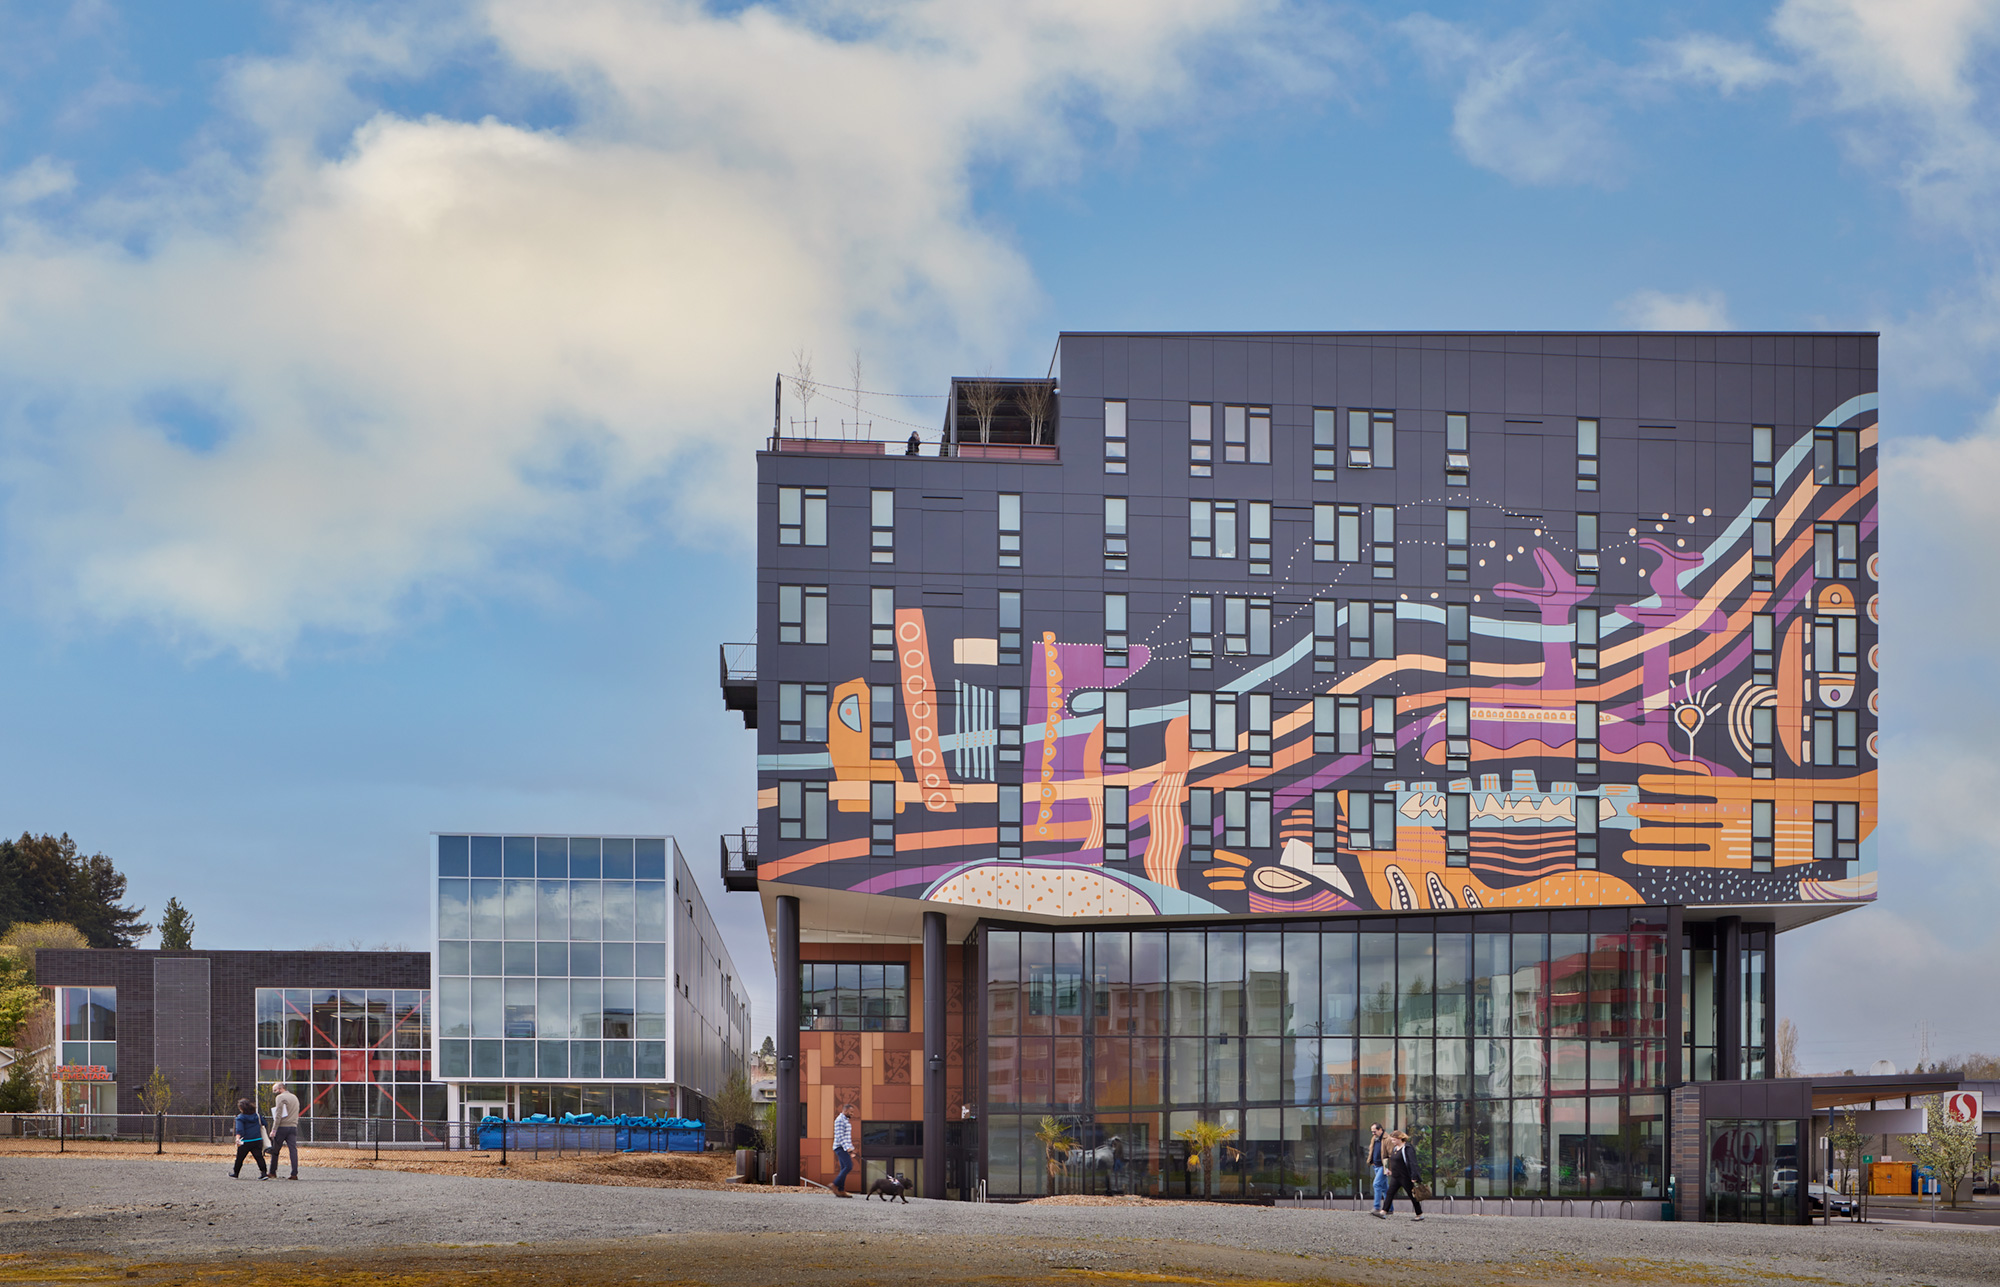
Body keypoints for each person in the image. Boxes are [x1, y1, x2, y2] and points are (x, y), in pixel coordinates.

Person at [1378, 1130, 1424, 1221]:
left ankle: (1419, 1213)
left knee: (1412, 1195)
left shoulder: (1407, 1148)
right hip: (1395, 1176)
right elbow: (1393, 1161)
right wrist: (1388, 1169)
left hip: (1405, 1176)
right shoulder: (1395, 1148)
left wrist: (1414, 1176)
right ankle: (1384, 1211)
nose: (1392, 1142)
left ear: (1399, 1139)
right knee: (1390, 1193)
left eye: (1394, 1140)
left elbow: (1412, 1162)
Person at [268, 1082, 301, 1180]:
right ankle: (294, 1173)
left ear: (280, 1088)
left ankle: (272, 1172)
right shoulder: (295, 1097)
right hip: (293, 1127)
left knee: (275, 1150)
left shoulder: (280, 1098)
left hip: (282, 1127)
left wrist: (274, 1129)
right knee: (293, 1151)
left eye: (275, 1090)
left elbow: (278, 1115)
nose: (274, 1093)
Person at [230, 1097, 270, 1180]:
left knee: (240, 1158)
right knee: (259, 1157)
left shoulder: (240, 1117)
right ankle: (264, 1173)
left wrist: (237, 1138)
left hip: (245, 1141)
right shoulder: (257, 1115)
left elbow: (239, 1130)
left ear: (241, 1108)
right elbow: (264, 1123)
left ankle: (236, 1173)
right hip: (257, 1139)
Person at [831, 1103, 856, 1197]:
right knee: (848, 1166)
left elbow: (847, 1137)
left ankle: (841, 1190)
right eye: (851, 1112)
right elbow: (840, 1137)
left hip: (844, 1147)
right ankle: (834, 1184)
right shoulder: (840, 1120)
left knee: (844, 1168)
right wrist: (848, 1149)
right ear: (845, 1111)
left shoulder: (845, 1120)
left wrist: (851, 1149)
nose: (853, 1114)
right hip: (840, 1147)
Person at [1366, 1122, 1388, 1213]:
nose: (1373, 1133)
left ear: (1380, 1129)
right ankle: (1389, 1208)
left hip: (1383, 1166)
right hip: (1376, 1165)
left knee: (1376, 1184)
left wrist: (1387, 1168)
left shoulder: (1387, 1139)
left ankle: (1377, 1207)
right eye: (1372, 1132)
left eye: (1374, 1131)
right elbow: (1372, 1150)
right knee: (1384, 1188)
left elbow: (1389, 1154)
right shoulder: (1374, 1138)